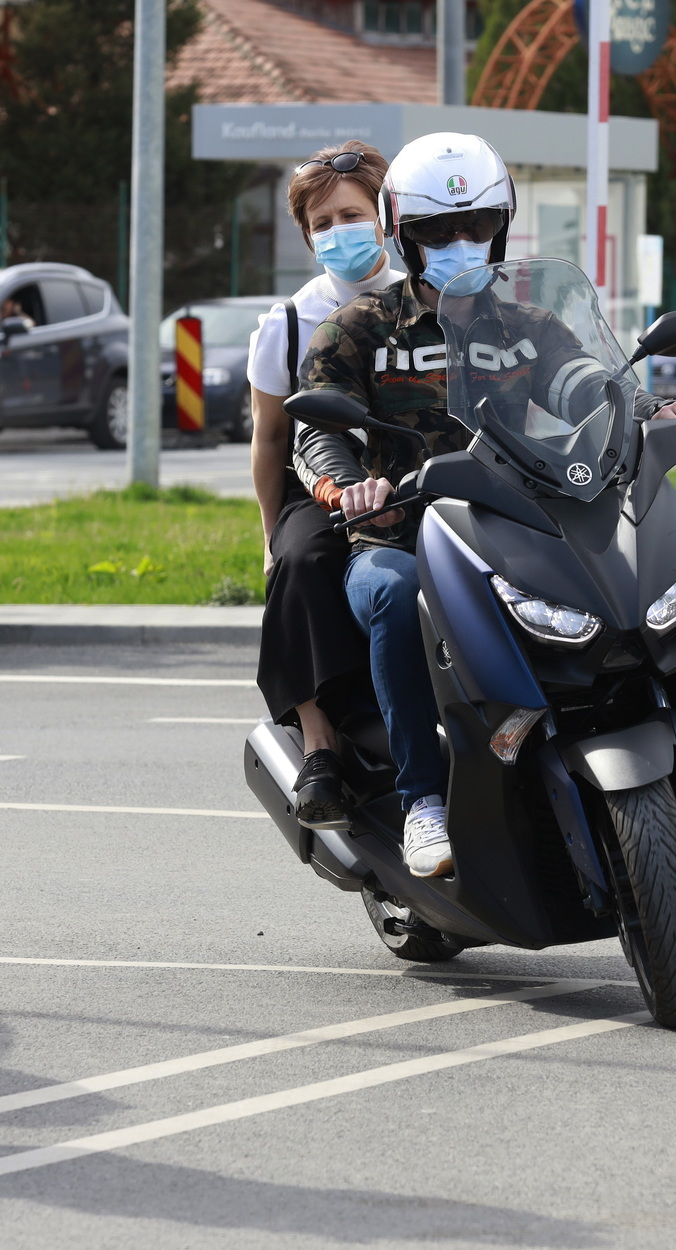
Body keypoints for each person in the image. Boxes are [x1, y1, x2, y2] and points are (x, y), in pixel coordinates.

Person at [295, 132, 676, 879]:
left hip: (515, 525)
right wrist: (348, 486)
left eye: (477, 226)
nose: (461, 243)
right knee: (393, 597)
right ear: (404, 235)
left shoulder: (529, 327)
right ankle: (423, 801)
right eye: (437, 231)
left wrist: (654, 412)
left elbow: (589, 384)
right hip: (400, 534)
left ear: (502, 228)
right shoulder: (356, 330)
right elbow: (316, 433)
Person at [248, 140, 404, 829]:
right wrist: (269, 535)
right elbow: (273, 439)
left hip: (410, 472)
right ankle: (320, 748)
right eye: (322, 225)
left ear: (387, 217)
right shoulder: (287, 324)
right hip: (319, 485)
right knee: (306, 560)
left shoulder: (427, 303)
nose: (339, 232)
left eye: (352, 215)